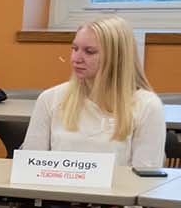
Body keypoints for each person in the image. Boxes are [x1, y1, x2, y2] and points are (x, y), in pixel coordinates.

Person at [21, 16, 163, 168]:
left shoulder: (148, 106)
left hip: (117, 192)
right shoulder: (50, 99)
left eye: (89, 52)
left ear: (117, 57)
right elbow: (30, 165)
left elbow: (145, 176)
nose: (76, 58)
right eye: (74, 49)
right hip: (57, 190)